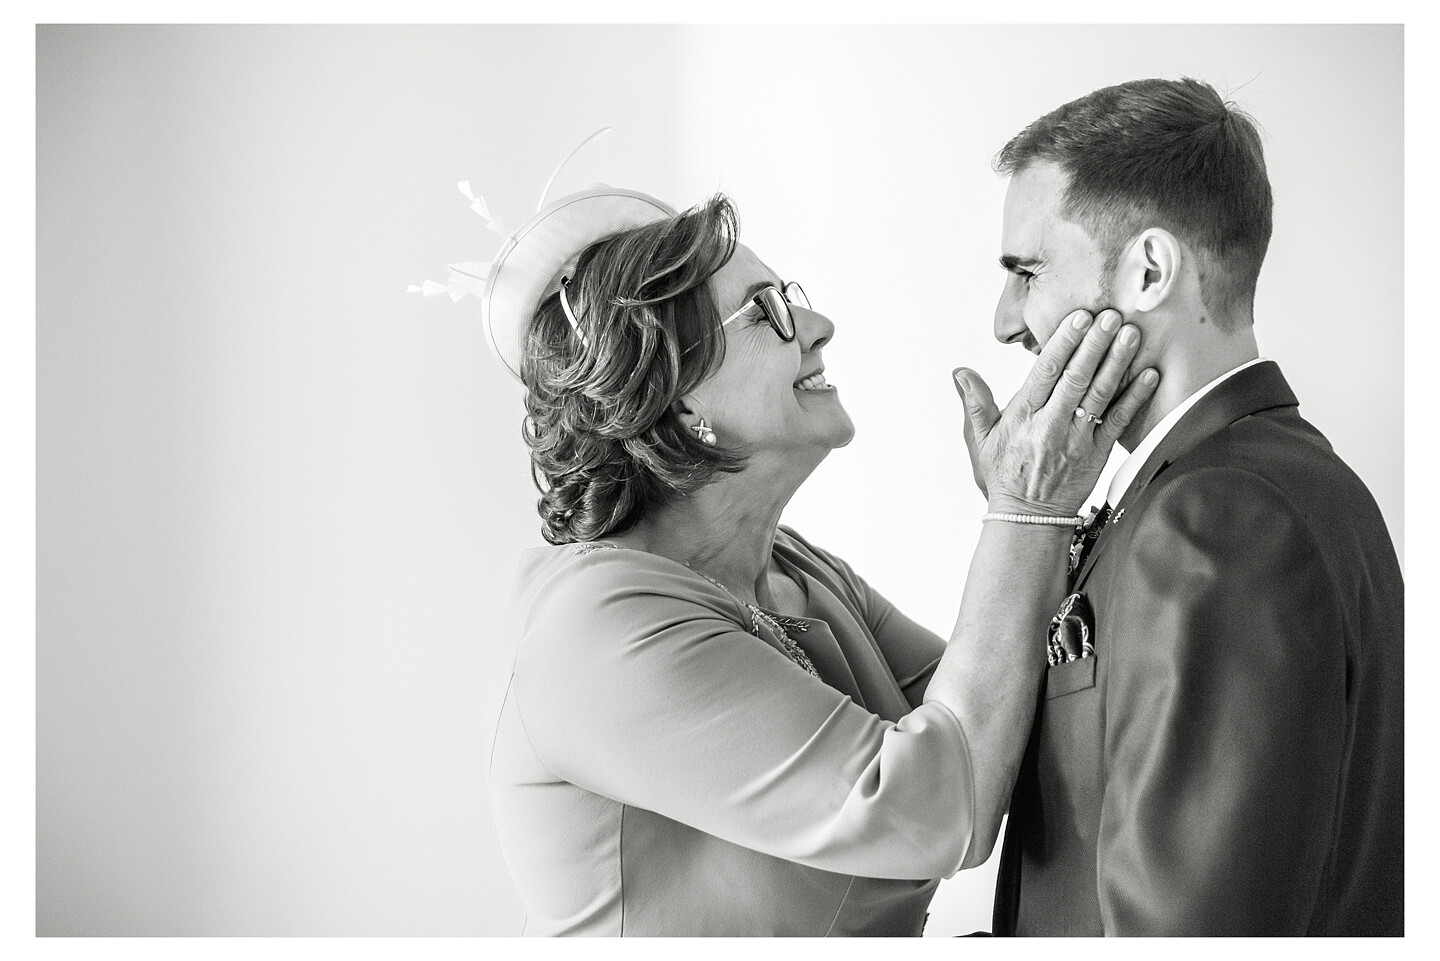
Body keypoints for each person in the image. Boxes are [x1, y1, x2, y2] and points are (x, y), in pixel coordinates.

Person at [462, 184, 1158, 935]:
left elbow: (1010, 726)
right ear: (675, 398)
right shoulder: (597, 632)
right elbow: (935, 808)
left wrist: (1042, 510)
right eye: (768, 311)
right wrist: (1024, 508)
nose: (820, 326)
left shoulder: (795, 570)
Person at [973, 77, 1404, 936]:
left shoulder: (1223, 516)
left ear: (1148, 270)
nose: (1004, 320)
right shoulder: (1260, 482)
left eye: (1027, 272)